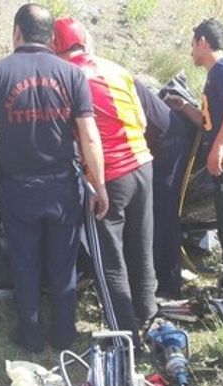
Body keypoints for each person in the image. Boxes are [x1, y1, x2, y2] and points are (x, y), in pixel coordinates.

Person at [0, 4, 108, 353]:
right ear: (52, 38)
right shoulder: (72, 75)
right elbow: (89, 136)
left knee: (25, 262)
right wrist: (99, 185)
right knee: (63, 261)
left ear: (16, 32)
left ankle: (29, 335)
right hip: (62, 185)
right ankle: (64, 334)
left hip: (19, 187)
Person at [52, 17, 157, 343]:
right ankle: (148, 316)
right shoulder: (116, 68)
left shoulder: (66, 79)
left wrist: (96, 181)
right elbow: (140, 120)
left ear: (55, 48)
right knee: (141, 250)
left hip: (109, 175)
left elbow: (70, 132)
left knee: (109, 262)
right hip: (143, 164)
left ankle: (125, 340)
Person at [166, 18, 223, 288]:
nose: (191, 51)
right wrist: (185, 107)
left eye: (193, 45)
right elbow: (208, 123)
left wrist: (218, 147)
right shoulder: (214, 76)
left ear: (203, 42)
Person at [133, 79, 194, 299]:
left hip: (169, 144)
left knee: (163, 215)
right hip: (157, 144)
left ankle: (168, 286)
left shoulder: (106, 83)